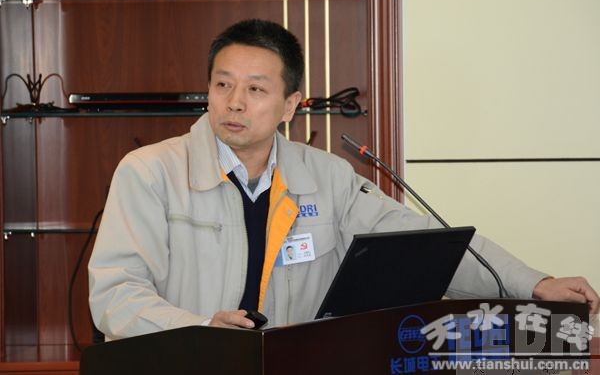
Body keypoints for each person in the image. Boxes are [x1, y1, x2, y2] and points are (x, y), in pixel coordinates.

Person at [88, 19, 598, 339]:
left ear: (290, 105)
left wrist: (534, 284)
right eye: (223, 85)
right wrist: (202, 328)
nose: (235, 102)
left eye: (256, 89)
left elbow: (425, 246)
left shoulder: (327, 176)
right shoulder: (150, 172)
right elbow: (116, 296)